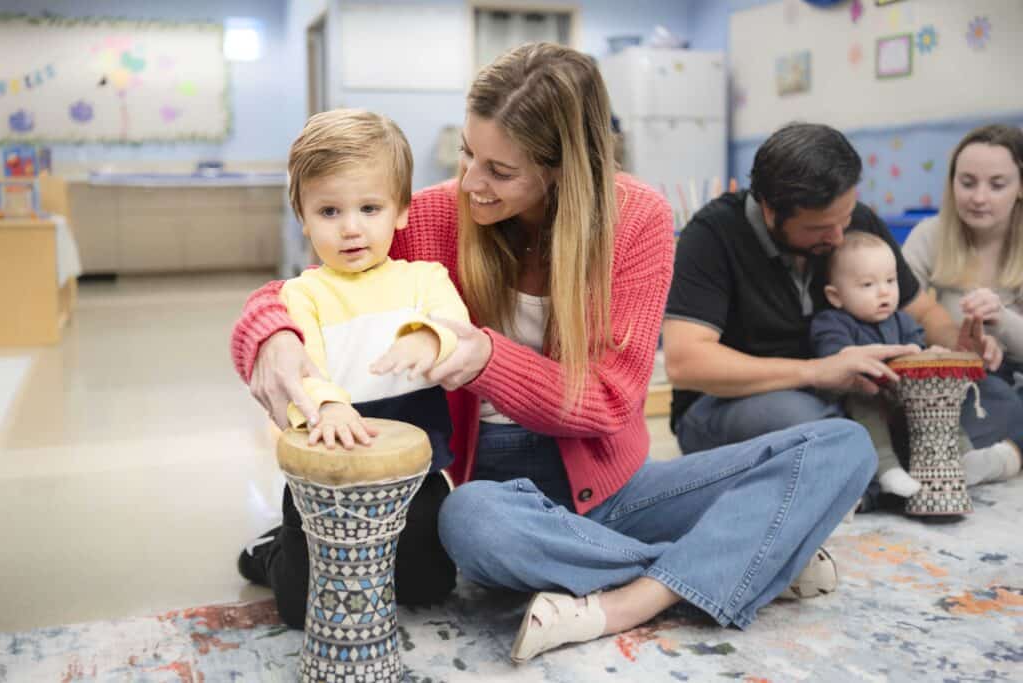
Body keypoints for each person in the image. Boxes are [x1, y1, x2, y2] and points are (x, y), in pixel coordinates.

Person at [231, 44, 874, 663]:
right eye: (466, 153)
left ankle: (628, 601)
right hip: (499, 496)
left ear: (562, 167)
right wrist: (271, 335)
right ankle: (728, 560)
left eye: (499, 171)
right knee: (469, 518)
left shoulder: (637, 220)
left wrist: (485, 358)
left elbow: (611, 400)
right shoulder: (435, 215)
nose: (470, 182)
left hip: (616, 489)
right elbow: (315, 286)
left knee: (842, 447)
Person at [663, 122, 1020, 466]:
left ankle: (876, 463)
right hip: (740, 403)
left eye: (844, 218)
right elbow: (686, 362)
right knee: (812, 423)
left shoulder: (858, 221)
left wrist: (957, 348)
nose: (837, 237)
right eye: (819, 228)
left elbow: (924, 313)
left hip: (855, 399)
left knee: (995, 398)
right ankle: (882, 458)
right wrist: (817, 372)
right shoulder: (713, 235)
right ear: (770, 211)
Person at [236, 108, 468, 628]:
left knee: (430, 587)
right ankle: (276, 552)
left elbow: (458, 326)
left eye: (369, 207)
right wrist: (328, 405)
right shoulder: (304, 293)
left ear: (401, 211)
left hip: (418, 472)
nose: (351, 228)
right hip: (327, 474)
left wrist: (430, 338)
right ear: (302, 215)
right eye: (329, 212)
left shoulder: (425, 279)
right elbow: (302, 370)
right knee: (301, 610)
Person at [810, 231, 1019, 497]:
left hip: (904, 396)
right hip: (860, 397)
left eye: (890, 280)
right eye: (867, 285)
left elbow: (918, 352)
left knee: (939, 400)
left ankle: (962, 455)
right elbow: (835, 358)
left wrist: (934, 357)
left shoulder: (902, 321)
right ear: (835, 295)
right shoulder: (832, 323)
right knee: (866, 405)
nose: (884, 291)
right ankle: (886, 469)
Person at [902, 124, 1023, 485]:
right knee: (988, 399)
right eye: (967, 183)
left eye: (997, 185)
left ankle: (1006, 457)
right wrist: (946, 346)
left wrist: (1001, 318)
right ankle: (1002, 455)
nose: (979, 197)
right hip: (954, 377)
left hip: (1012, 377)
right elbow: (894, 310)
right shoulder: (928, 235)